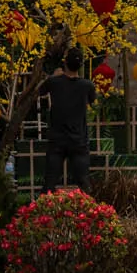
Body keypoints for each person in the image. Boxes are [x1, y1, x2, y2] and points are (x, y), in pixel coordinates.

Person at [38, 49, 97, 191]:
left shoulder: (53, 82)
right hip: (79, 140)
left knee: (50, 183)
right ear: (81, 65)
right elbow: (93, 102)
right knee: (83, 182)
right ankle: (89, 212)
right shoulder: (87, 86)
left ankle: (43, 212)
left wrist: (54, 75)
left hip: (57, 139)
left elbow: (39, 91)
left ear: (65, 63)